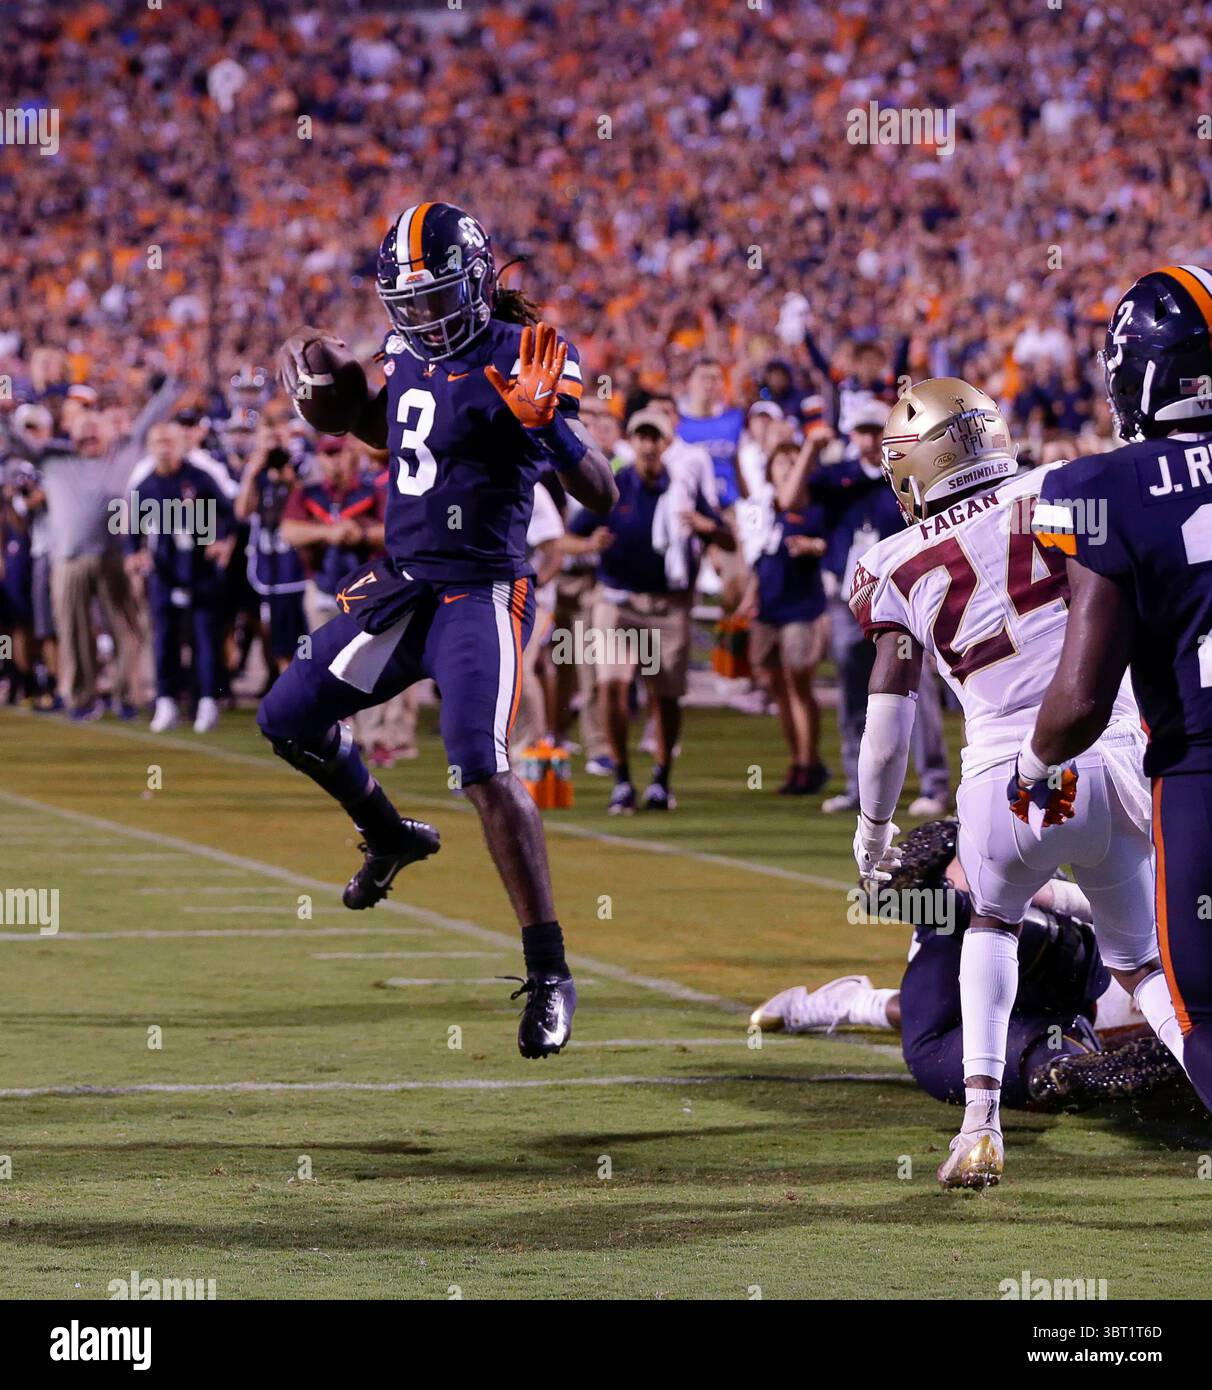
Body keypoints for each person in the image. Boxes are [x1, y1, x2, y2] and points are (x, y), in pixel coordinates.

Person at [262, 202, 617, 1059]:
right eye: (405, 304)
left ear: (479, 280)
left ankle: (550, 970)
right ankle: (386, 832)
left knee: (480, 764)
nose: (420, 319)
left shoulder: (528, 354)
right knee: (285, 718)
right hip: (401, 579)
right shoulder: (405, 351)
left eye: (434, 300)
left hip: (481, 592)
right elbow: (400, 434)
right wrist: (334, 401)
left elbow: (601, 496)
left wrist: (552, 431)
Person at [848, 376, 1183, 1189]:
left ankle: (978, 1128)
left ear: (912, 468)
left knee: (991, 923)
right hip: (1112, 752)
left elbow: (889, 725)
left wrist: (873, 830)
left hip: (1002, 771)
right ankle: (1200, 1064)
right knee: (1142, 966)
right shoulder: (1066, 489)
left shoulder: (890, 562)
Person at [1018, 264, 1212, 1114]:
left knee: (1203, 1013)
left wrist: (1032, 766)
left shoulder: (1093, 490)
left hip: (1200, 767)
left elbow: (1083, 697)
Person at [752, 821, 1185, 1111]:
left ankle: (854, 1001)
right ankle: (1091, 1072)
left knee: (1016, 929)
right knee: (1058, 1076)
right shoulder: (944, 930)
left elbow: (1129, 916)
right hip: (986, 1025)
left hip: (1067, 987)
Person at [569, 406, 734, 814]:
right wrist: (589, 548)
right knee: (612, 683)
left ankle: (661, 778)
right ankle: (622, 779)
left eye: (653, 437)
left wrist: (706, 526)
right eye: (640, 436)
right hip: (619, 598)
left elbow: (729, 540)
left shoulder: (684, 486)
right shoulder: (614, 483)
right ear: (633, 440)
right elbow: (568, 536)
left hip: (668, 603)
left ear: (664, 443)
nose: (646, 444)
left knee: (666, 696)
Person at [125, 421, 233, 733]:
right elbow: (132, 526)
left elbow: (228, 513)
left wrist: (221, 539)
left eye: (169, 441)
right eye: (158, 441)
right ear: (149, 446)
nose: (164, 447)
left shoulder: (199, 477)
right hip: (164, 571)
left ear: (181, 444)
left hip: (200, 570)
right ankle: (166, 701)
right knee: (165, 639)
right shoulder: (145, 485)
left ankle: (208, 702)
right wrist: (135, 553)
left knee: (204, 637)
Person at [738, 438, 830, 794]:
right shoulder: (761, 508)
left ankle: (809, 762)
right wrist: (750, 595)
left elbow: (828, 541)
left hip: (801, 605)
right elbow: (758, 557)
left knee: (799, 684)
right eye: (782, 463)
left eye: (795, 462)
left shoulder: (811, 505)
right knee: (778, 687)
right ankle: (798, 760)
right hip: (769, 607)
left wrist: (813, 546)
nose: (789, 468)